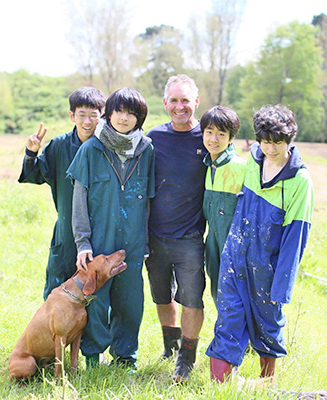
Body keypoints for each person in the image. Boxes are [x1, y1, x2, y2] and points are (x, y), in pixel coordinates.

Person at [206, 104, 314, 382]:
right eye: (265, 142)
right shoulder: (252, 161)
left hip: (269, 266)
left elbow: (296, 237)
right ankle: (220, 386)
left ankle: (267, 382)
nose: (270, 149)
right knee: (228, 318)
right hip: (235, 256)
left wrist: (282, 284)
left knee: (267, 325)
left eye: (277, 143)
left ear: (290, 140)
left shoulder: (300, 180)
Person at [66, 87, 154, 369]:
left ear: (139, 118)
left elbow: (149, 202)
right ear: (109, 113)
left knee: (130, 302)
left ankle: (126, 358)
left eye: (132, 113)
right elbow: (78, 201)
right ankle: (92, 357)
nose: (124, 118)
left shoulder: (146, 149)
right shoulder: (91, 148)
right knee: (96, 300)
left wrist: (147, 243)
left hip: (133, 243)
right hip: (99, 242)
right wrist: (83, 243)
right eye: (119, 111)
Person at [145, 74, 207, 382]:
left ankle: (187, 357)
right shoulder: (153, 138)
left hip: (190, 237)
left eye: (185, 100)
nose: (180, 106)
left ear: (196, 102)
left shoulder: (207, 139)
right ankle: (170, 346)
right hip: (154, 235)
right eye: (174, 100)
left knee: (192, 298)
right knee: (160, 294)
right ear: (165, 103)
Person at [18, 87, 106, 300]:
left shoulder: (109, 147)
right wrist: (32, 153)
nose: (87, 122)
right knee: (58, 289)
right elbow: (35, 175)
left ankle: (95, 334)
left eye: (94, 115)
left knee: (99, 292)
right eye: (81, 115)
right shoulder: (59, 146)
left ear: (102, 116)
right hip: (67, 231)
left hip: (103, 229)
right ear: (71, 116)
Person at [200, 105, 246, 304]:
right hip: (213, 244)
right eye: (209, 132)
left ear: (231, 138)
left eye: (221, 134)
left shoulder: (241, 167)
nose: (213, 139)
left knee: (237, 300)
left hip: (236, 247)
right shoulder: (206, 166)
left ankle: (239, 336)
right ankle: (226, 335)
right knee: (218, 297)